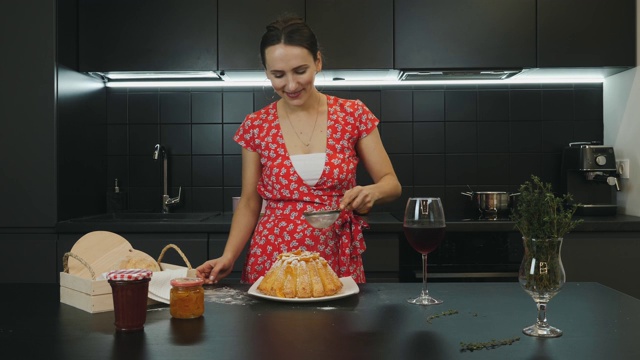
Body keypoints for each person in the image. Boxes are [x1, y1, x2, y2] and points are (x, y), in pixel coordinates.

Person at [196, 15, 401, 285]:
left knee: (338, 327)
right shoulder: (256, 125)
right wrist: (228, 256)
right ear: (266, 72)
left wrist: (371, 192)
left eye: (300, 71)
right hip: (271, 260)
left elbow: (391, 184)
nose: (290, 85)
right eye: (278, 75)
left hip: (335, 257)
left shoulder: (353, 114)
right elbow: (249, 202)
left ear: (317, 62)